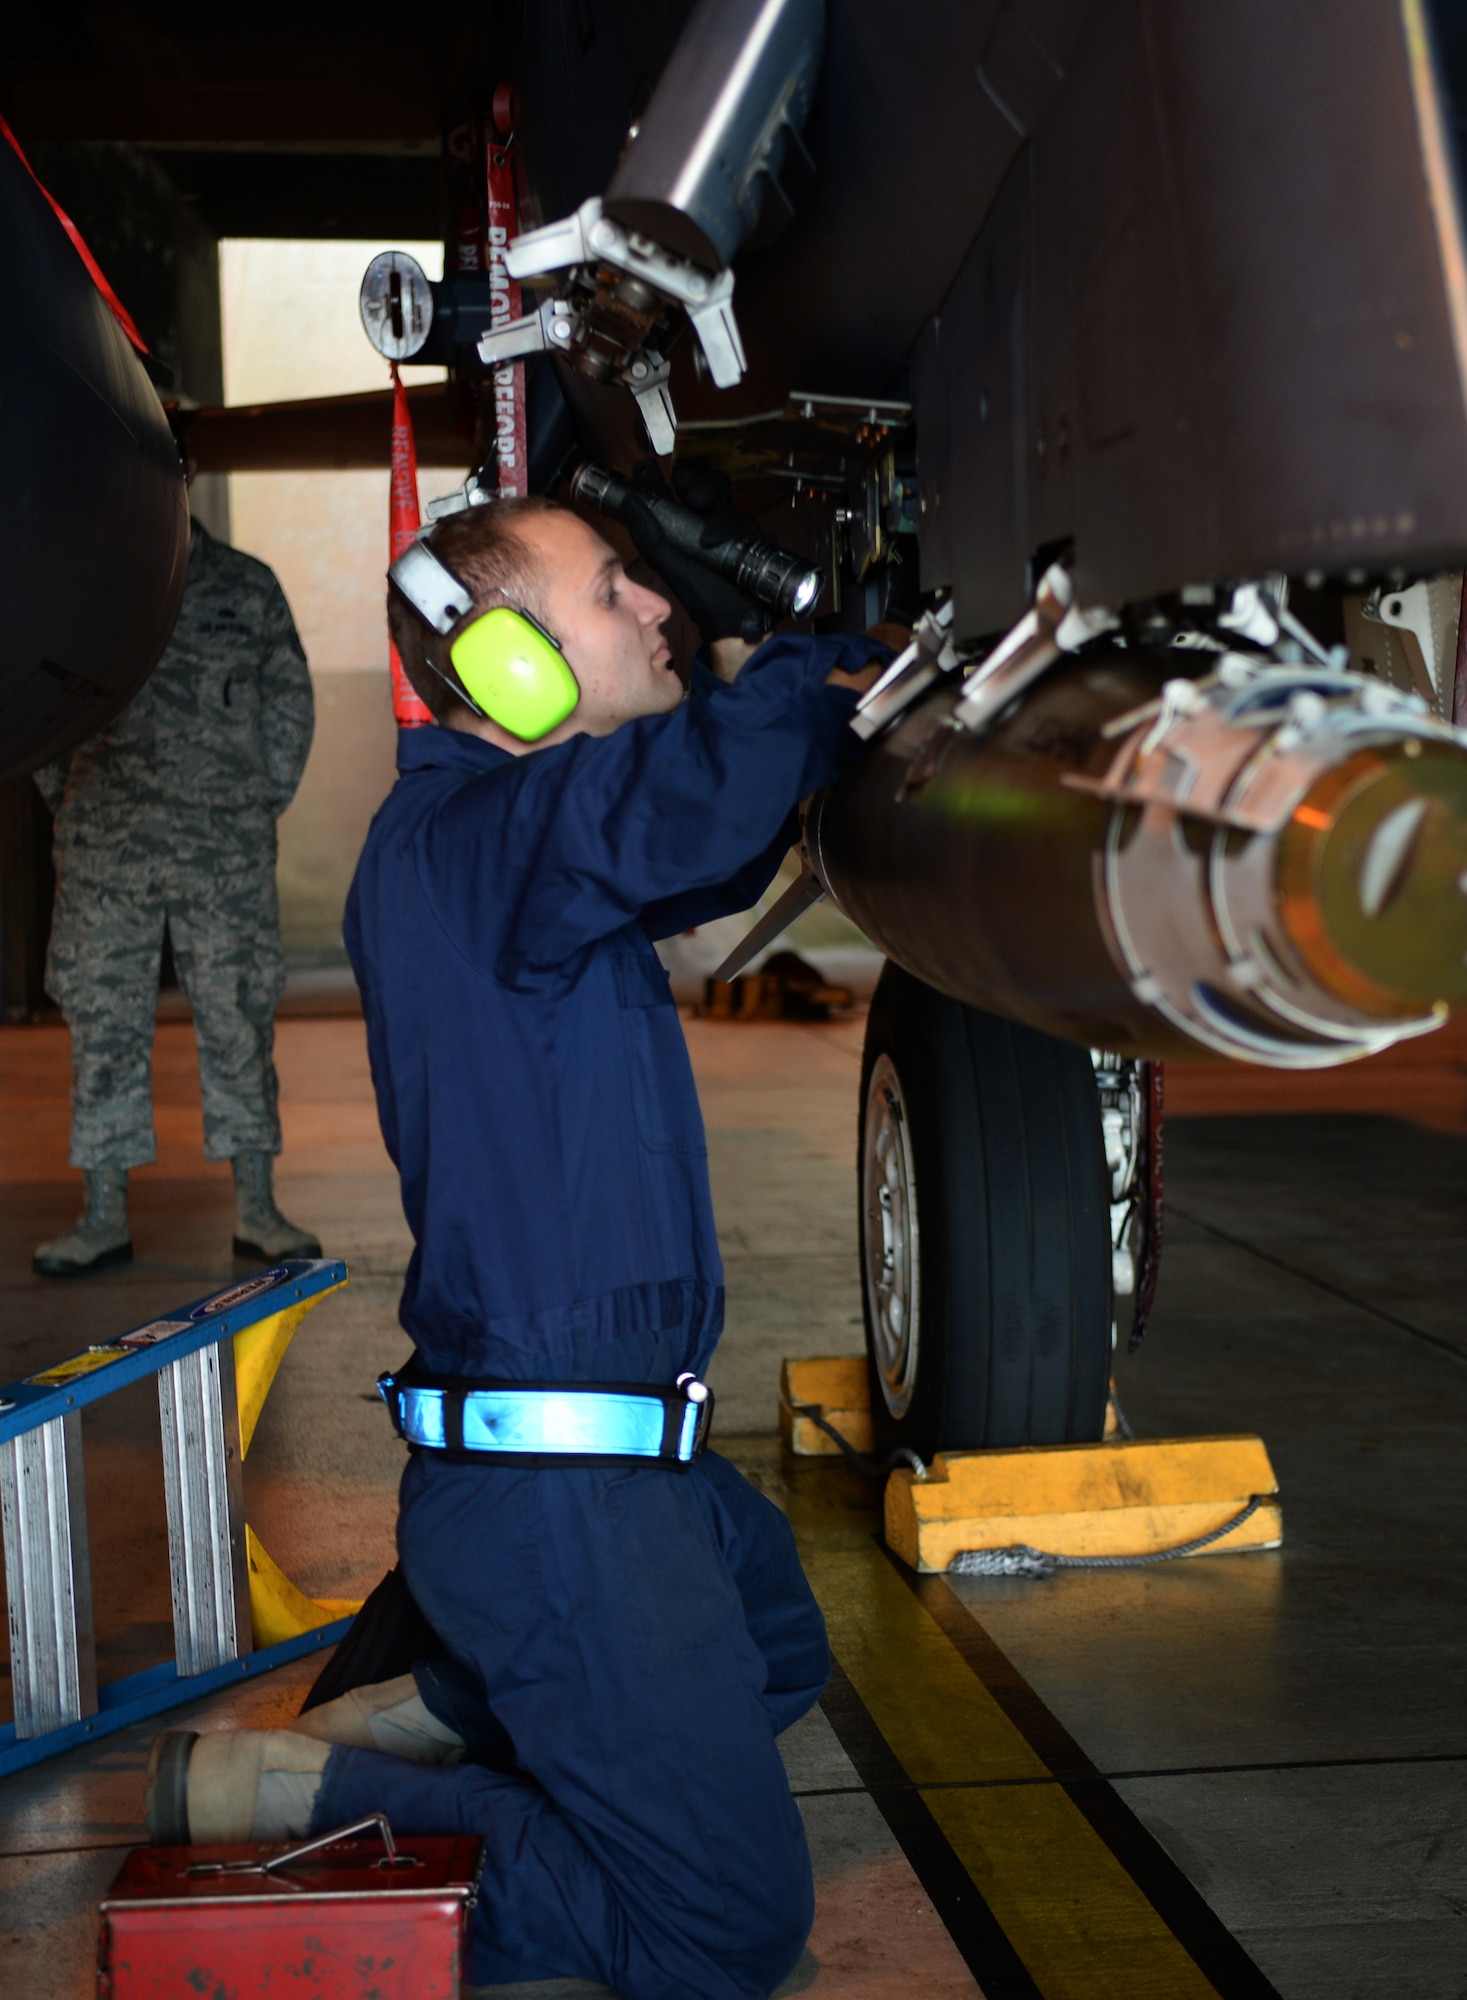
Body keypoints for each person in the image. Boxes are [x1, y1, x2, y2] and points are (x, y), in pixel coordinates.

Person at [143, 482, 891, 2000]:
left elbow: (701, 851)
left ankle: (452, 1699)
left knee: (777, 1645)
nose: (656, 608)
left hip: (607, 1468)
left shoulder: (508, 852)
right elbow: (674, 800)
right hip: (562, 1502)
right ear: (507, 667)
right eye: (617, 586)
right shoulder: (471, 846)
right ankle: (323, 1798)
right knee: (718, 1933)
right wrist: (822, 668)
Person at [33, 516, 321, 1275]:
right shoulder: (87, 585)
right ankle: (102, 1216)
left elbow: (288, 694)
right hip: (108, 842)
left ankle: (258, 1210)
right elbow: (43, 700)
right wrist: (71, 802)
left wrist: (258, 798)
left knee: (238, 1019)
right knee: (103, 1022)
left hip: (221, 847)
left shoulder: (244, 584)